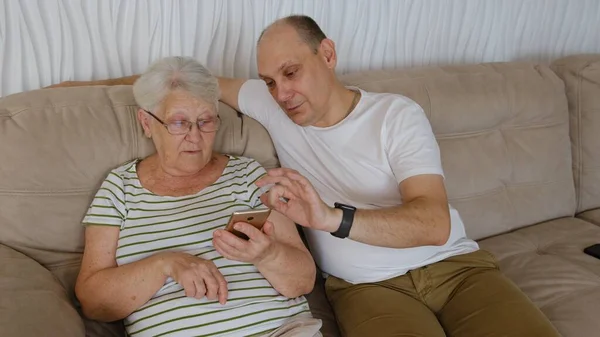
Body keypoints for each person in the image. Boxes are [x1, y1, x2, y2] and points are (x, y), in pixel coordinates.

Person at [52, 15, 561, 337]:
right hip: (365, 288)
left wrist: (321, 222)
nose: (281, 92)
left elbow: (432, 224)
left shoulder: (393, 114)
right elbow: (178, 88)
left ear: (329, 55)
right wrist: (76, 88)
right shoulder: (270, 105)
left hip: (453, 267)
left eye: (290, 73)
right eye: (270, 81)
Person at [74, 56, 322, 337]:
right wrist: (164, 264)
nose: (195, 136)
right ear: (146, 122)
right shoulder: (119, 187)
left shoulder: (249, 173)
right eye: (179, 123)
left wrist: (268, 254)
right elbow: (94, 302)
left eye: (205, 121)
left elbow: (303, 280)